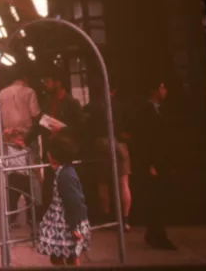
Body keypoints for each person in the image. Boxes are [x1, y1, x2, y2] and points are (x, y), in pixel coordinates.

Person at [36, 131, 91, 267]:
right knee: (59, 257)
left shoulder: (66, 176)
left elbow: (74, 202)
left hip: (67, 224)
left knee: (71, 257)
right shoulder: (63, 171)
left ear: (55, 155)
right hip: (61, 223)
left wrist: (74, 227)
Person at [136, 78, 177, 250]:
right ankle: (157, 234)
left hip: (163, 160)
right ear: (154, 90)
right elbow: (146, 139)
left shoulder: (162, 109)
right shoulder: (146, 110)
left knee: (162, 198)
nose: (165, 91)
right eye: (162, 87)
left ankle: (154, 232)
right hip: (154, 161)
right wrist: (150, 164)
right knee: (157, 198)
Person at [0, 65, 41, 228]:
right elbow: (35, 114)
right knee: (30, 178)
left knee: (11, 176)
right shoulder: (29, 92)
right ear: (26, 77)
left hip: (8, 139)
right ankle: (32, 215)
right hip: (26, 139)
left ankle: (12, 215)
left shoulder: (2, 93)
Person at [86, 82, 133, 230]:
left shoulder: (93, 106)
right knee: (123, 183)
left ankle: (106, 218)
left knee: (103, 184)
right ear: (116, 88)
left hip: (100, 142)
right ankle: (125, 220)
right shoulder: (120, 105)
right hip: (119, 143)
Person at [39, 69, 85, 213]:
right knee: (48, 186)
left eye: (48, 81)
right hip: (51, 150)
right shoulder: (47, 101)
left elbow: (81, 126)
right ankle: (48, 215)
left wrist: (62, 130)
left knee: (64, 184)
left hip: (65, 151)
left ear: (58, 83)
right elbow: (39, 123)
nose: (45, 85)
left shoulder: (71, 102)